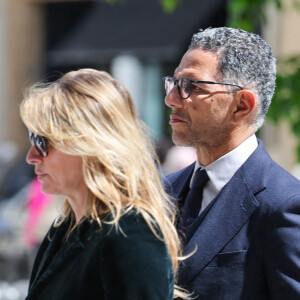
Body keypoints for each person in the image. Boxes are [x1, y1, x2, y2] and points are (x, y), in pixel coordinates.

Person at [20, 68, 187, 300]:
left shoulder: (131, 232)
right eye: (32, 137)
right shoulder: (64, 229)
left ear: (91, 144)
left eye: (43, 140)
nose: (32, 156)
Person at [163, 27, 300, 299]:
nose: (171, 99)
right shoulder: (163, 190)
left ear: (241, 105)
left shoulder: (283, 204)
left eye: (191, 86)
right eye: (174, 83)